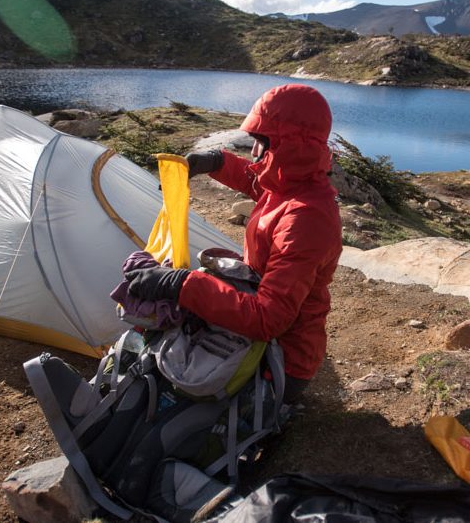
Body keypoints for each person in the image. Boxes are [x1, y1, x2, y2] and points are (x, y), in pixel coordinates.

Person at [126, 84, 342, 404]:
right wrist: (214, 161)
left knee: (175, 391)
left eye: (261, 143)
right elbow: (258, 181)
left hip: (281, 360)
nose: (254, 153)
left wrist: (183, 283)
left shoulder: (306, 218)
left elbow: (268, 319)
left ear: (288, 146)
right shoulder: (292, 184)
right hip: (254, 332)